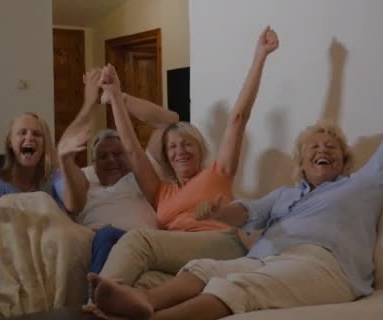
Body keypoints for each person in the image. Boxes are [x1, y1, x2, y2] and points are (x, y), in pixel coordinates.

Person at [87, 120, 383, 320]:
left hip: (325, 264)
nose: (322, 151)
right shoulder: (285, 194)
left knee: (241, 284)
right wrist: (220, 213)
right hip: (266, 258)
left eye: (331, 148)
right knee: (205, 268)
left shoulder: (361, 184)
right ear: (302, 164)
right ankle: (146, 301)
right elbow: (249, 211)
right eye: (314, 148)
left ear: (344, 160)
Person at [92, 26, 280, 289]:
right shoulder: (161, 191)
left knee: (139, 241)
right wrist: (114, 96)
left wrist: (260, 56)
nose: (180, 151)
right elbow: (133, 150)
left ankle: (93, 307)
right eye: (173, 147)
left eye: (187, 144)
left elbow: (238, 119)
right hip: (181, 257)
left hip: (221, 243)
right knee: (142, 284)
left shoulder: (217, 172)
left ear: (200, 149)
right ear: (167, 157)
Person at [57, 67, 178, 274]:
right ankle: (100, 297)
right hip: (99, 244)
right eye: (103, 156)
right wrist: (89, 103)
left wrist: (118, 97)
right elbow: (64, 149)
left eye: (118, 153)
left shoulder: (142, 174)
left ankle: (97, 299)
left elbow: (169, 121)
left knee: (111, 238)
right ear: (93, 162)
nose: (111, 160)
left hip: (143, 244)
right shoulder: (85, 178)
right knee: (106, 236)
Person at [0, 112, 64, 225]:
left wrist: (65, 161)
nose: (30, 138)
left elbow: (74, 205)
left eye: (37, 134)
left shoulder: (54, 179)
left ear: (44, 144)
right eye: (22, 133)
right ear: (10, 143)